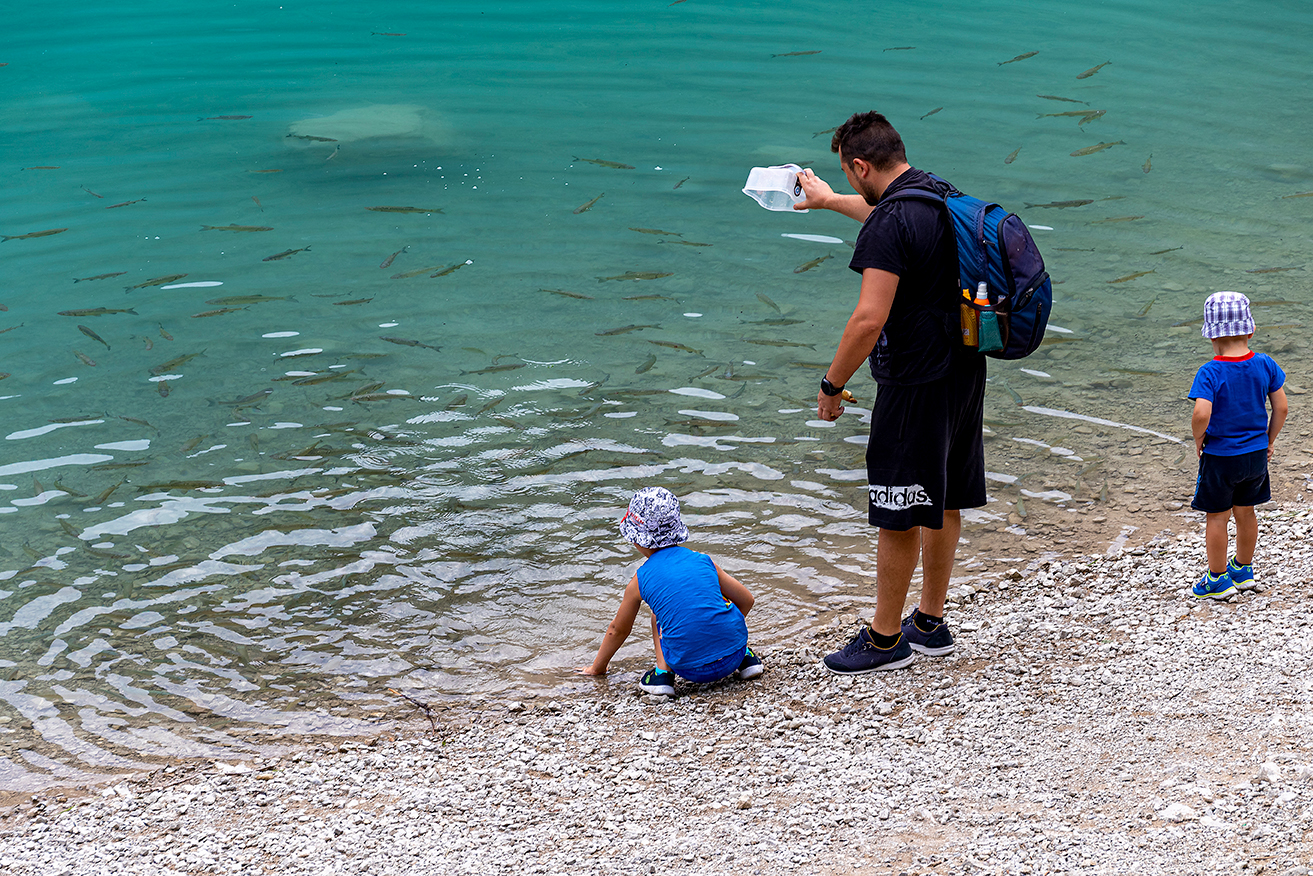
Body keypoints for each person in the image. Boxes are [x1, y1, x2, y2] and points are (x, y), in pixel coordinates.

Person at [793, 111, 987, 674]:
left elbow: (867, 321)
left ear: (860, 165)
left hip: (913, 381)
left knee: (898, 506)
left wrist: (832, 384)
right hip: (964, 370)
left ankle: (884, 640)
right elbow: (884, 217)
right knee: (943, 497)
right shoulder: (941, 197)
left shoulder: (891, 222)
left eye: (847, 178)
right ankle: (929, 622)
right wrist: (829, 201)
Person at [579, 487, 763, 694]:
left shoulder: (640, 580)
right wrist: (722, 631)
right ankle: (746, 659)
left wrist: (597, 668)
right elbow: (747, 600)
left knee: (658, 613)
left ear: (635, 538)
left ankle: (662, 675)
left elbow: (618, 630)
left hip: (690, 669)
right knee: (713, 600)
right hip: (734, 655)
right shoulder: (703, 561)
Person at [1188, 291, 1287, 599]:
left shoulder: (1210, 371)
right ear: (1251, 330)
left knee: (1217, 517)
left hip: (1221, 457)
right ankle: (1243, 570)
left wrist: (1198, 439)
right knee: (1246, 512)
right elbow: (1281, 408)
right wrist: (1268, 441)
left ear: (1212, 336)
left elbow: (1201, 413)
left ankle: (1217, 579)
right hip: (1256, 456)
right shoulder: (1266, 363)